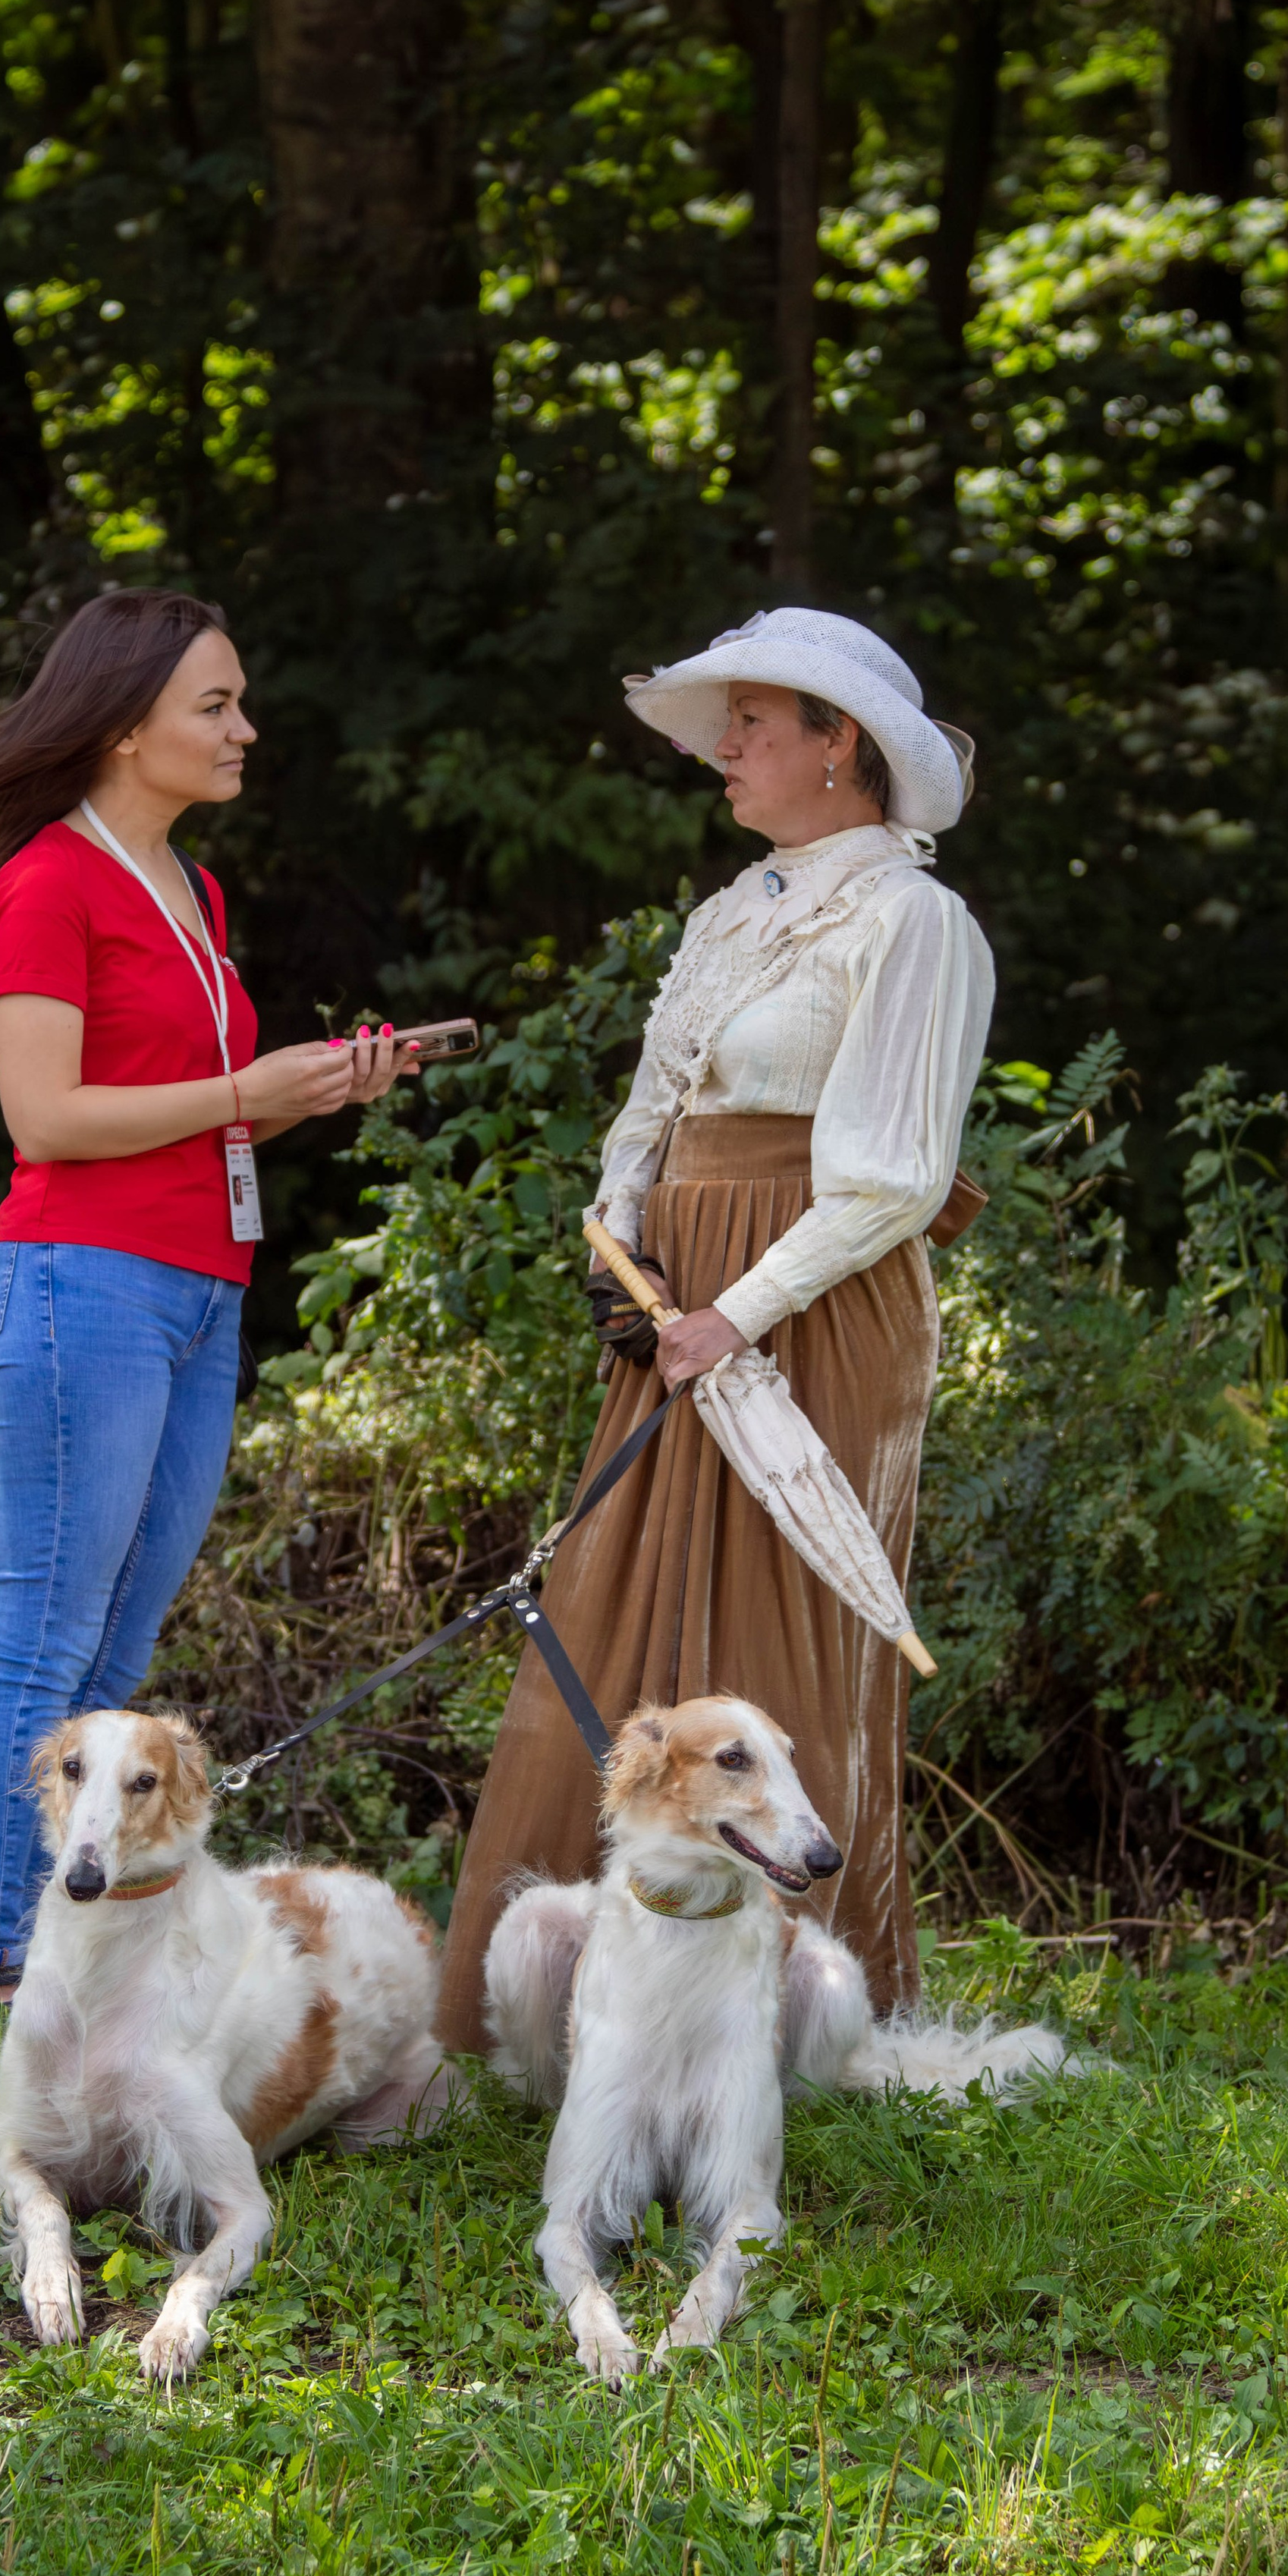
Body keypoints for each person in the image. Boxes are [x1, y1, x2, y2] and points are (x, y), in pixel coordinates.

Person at [436, 607, 992, 2055]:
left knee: (772, 1639)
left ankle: (780, 2030)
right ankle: (566, 2016)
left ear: (841, 748)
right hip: (676, 1306)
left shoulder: (911, 920)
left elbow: (892, 1176)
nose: (728, 749)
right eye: (729, 722)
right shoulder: (730, 914)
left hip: (807, 1307)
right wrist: (626, 1259)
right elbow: (658, 1104)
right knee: (610, 1612)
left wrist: (732, 1312)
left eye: (758, 724)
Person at [0, 591, 416, 1995]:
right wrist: (244, 1087)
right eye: (213, 706)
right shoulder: (48, 878)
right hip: (81, 1285)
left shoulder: (195, 889)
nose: (244, 728)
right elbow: (44, 1117)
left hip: (201, 1292)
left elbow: (188, 1113)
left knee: (117, 1654)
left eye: (237, 702)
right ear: (122, 727)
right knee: (46, 1636)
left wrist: (308, 1091)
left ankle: (73, 1952)